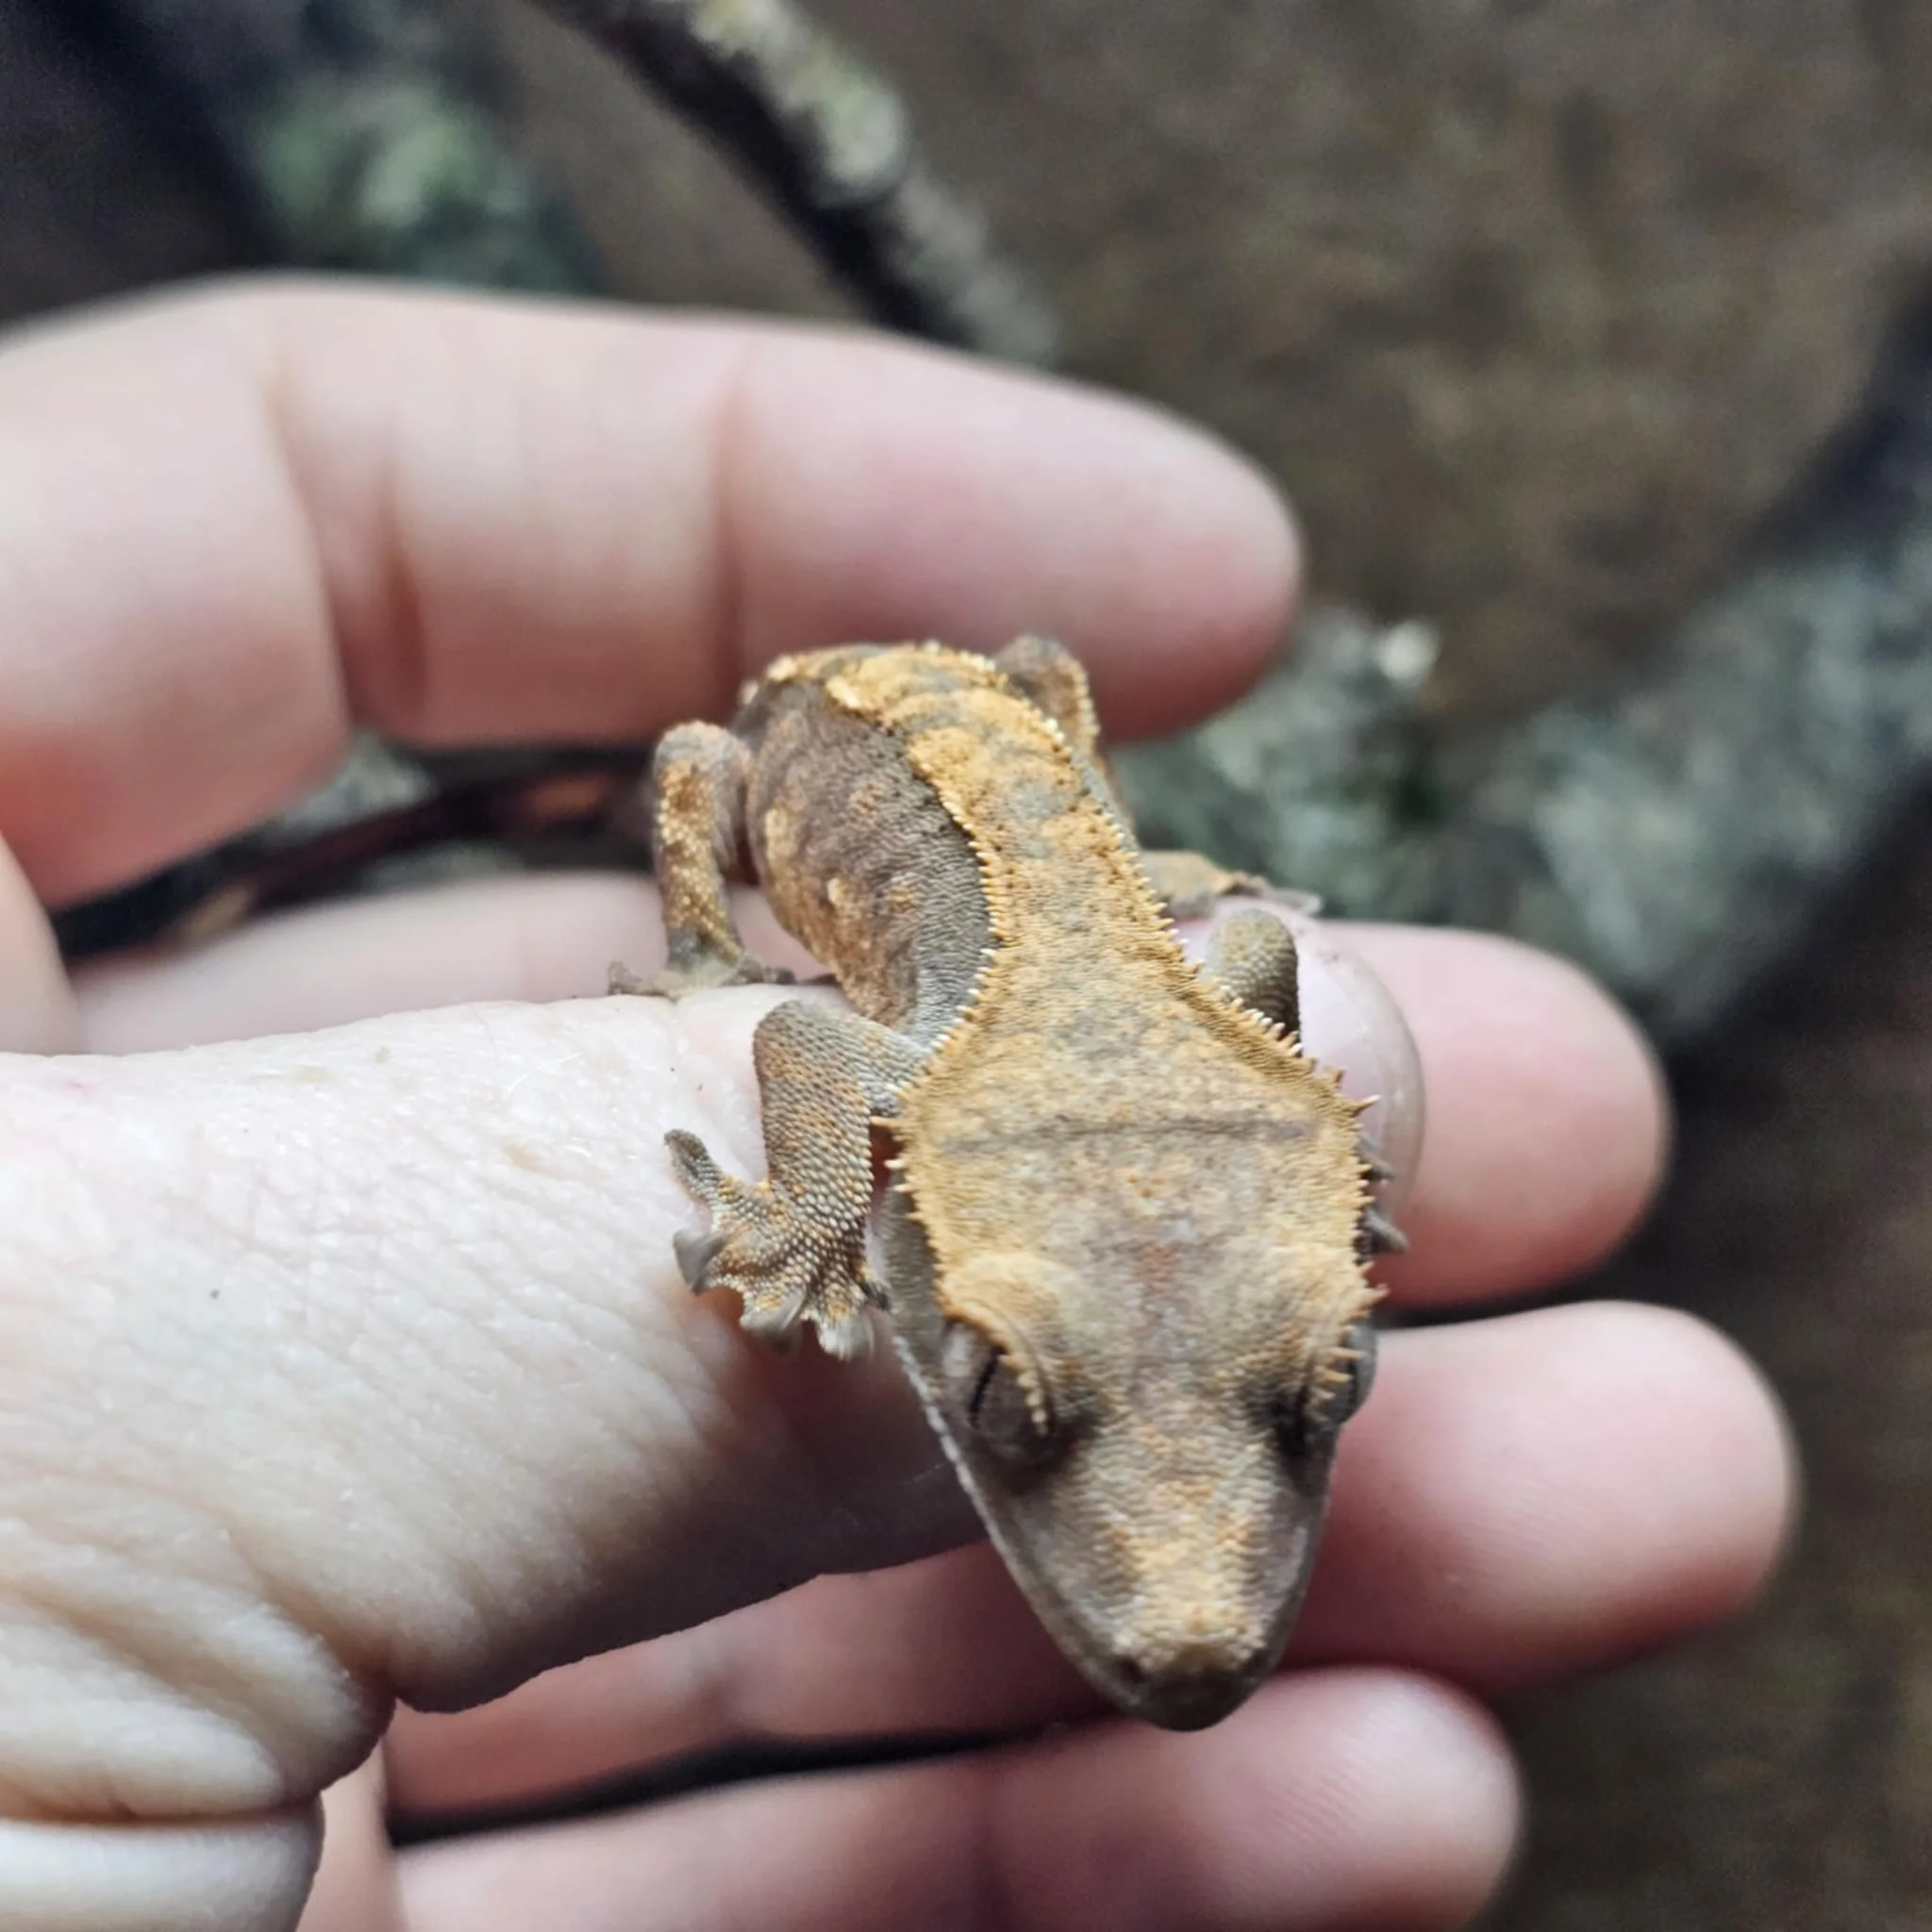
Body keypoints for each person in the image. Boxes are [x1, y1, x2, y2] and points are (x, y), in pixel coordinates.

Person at [0, 283, 1791, 1932]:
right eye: (1011, 1385)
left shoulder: (1195, 1012)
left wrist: (1302, 1156)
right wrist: (791, 1174)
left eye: (1315, 1381)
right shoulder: (901, 1065)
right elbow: (804, 1046)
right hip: (843, 759)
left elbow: (1246, 993)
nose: (1200, 1617)